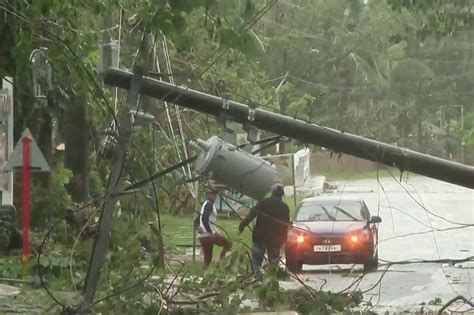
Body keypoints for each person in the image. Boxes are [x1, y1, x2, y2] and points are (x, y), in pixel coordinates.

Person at [238, 183, 290, 281]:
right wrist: (283, 240)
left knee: (256, 261)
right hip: (275, 241)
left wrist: (243, 225)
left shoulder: (263, 202)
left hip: (259, 237)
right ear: (282, 194)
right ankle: (270, 282)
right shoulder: (284, 207)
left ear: (272, 193)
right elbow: (285, 225)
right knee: (273, 263)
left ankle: (258, 281)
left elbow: (251, 215)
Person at [195, 189, 232, 269]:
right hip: (207, 235)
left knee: (208, 258)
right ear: (207, 195)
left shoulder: (205, 205)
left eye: (215, 194)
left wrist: (198, 227)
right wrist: (210, 231)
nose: (214, 196)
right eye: (212, 194)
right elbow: (204, 218)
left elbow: (198, 219)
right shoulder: (209, 205)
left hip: (204, 235)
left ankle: (217, 265)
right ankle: (219, 265)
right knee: (228, 244)